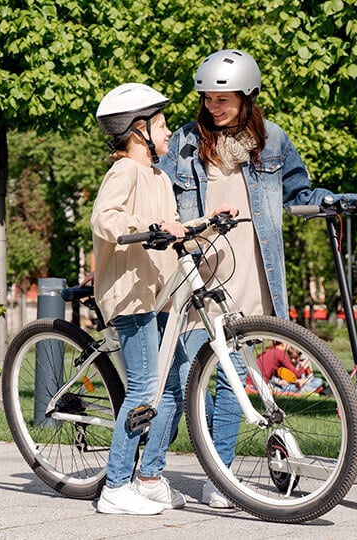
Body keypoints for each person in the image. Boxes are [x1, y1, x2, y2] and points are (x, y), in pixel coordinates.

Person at [157, 48, 357, 508]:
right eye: (207, 97)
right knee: (179, 376)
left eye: (224, 98)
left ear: (248, 96)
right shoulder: (182, 141)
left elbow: (300, 193)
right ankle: (150, 475)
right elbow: (157, 197)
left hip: (247, 269)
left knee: (230, 377)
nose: (213, 106)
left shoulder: (273, 140)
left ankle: (218, 477)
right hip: (191, 270)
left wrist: (349, 199)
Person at [91, 82, 237, 515]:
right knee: (143, 385)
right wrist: (147, 226)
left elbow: (173, 228)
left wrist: (209, 223)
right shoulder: (125, 172)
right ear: (138, 131)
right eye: (161, 124)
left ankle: (149, 477)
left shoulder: (158, 176)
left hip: (157, 296)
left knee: (171, 384)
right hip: (130, 295)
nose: (169, 131)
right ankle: (115, 486)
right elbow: (105, 218)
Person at [245, 342, 324, 395]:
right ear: (283, 343)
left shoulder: (272, 351)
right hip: (257, 385)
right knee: (318, 381)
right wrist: (304, 365)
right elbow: (296, 373)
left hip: (253, 382)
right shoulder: (280, 353)